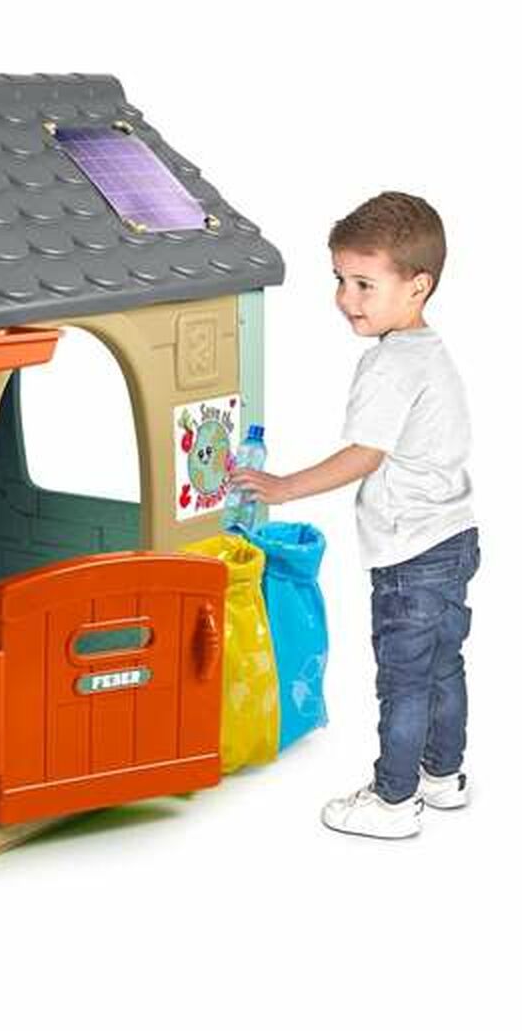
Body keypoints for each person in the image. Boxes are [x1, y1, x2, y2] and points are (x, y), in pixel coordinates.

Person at [233, 192, 478, 839]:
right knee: (442, 665)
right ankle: (442, 775)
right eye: (340, 279)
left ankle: (393, 802)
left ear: (418, 286)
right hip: (453, 538)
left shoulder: (391, 365)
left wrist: (283, 487)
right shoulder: (428, 351)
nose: (346, 298)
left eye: (365, 283)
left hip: (409, 551)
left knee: (403, 679)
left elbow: (365, 455)